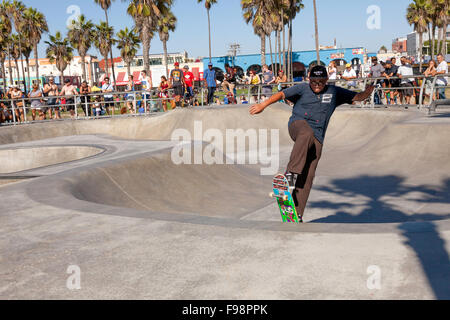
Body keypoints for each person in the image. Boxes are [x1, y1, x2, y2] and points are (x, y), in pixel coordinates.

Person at [249, 65, 374, 222]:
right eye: (314, 81)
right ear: (309, 79)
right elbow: (281, 94)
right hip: (297, 125)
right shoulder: (302, 89)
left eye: (321, 82)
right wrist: (262, 105)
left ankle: (296, 213)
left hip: (318, 136)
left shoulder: (334, 92)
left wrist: (368, 92)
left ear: (326, 80)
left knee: (308, 174)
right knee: (306, 133)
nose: (317, 84)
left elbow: (357, 97)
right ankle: (290, 176)